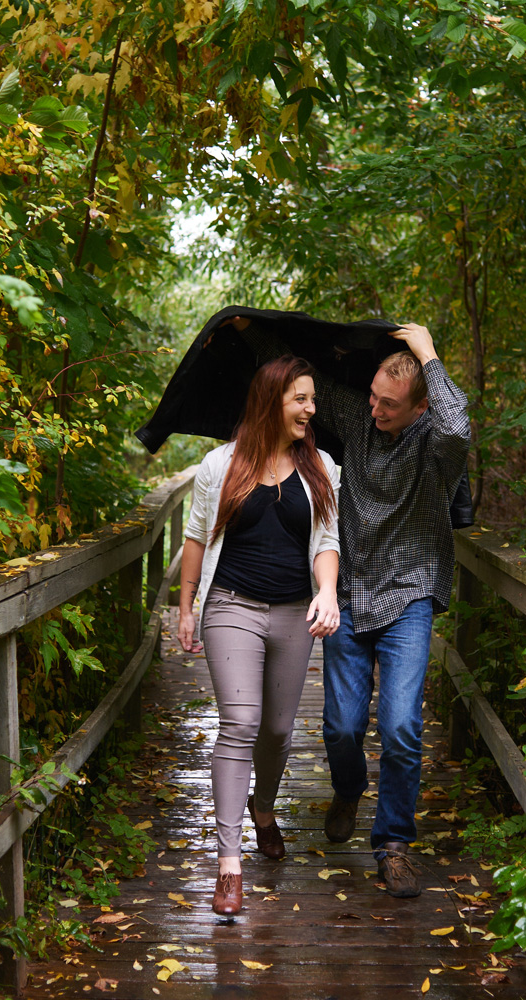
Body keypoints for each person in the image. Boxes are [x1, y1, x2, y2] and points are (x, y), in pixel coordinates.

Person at [307, 323, 471, 900]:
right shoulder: (359, 419)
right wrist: (245, 330)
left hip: (410, 593)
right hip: (352, 589)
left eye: (389, 404)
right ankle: (349, 787)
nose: (375, 408)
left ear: (420, 406)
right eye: (373, 396)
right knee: (342, 727)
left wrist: (428, 351)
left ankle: (393, 844)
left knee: (401, 726)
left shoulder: (437, 444)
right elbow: (307, 383)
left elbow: (457, 424)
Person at [175, 356, 343, 917]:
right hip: (231, 605)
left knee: (275, 729)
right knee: (241, 722)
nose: (311, 409)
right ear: (273, 399)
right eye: (302, 398)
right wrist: (185, 604)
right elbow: (197, 535)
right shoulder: (220, 464)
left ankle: (263, 809)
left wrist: (328, 592)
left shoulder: (322, 466)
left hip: (296, 612)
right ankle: (229, 865)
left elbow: (326, 540)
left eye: (313, 399)